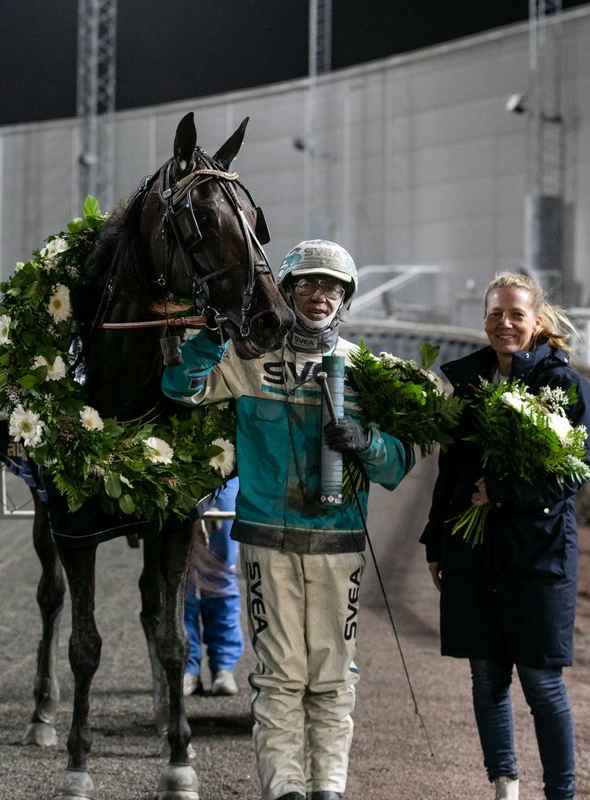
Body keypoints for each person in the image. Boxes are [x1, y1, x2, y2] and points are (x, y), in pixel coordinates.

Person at [162, 240, 413, 800]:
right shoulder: (249, 360)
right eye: (308, 284)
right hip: (265, 546)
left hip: (338, 544)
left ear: (345, 298)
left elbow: (400, 464)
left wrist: (367, 442)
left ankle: (328, 788)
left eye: (333, 287)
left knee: (332, 676)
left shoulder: (368, 370)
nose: (320, 295)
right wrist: (212, 336)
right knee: (277, 678)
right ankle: (285, 790)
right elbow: (180, 388)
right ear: (287, 288)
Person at [419, 271, 590, 800]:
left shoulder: (562, 385)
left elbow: (571, 473)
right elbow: (449, 473)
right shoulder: (470, 383)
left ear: (537, 321)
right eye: (495, 314)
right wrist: (435, 540)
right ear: (484, 320)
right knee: (487, 678)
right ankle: (504, 787)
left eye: (516, 314)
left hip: (538, 556)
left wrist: (499, 491)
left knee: (542, 683)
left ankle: (560, 794)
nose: (505, 324)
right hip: (474, 551)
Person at [183, 476, 244, 698]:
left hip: (225, 477)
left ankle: (223, 666)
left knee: (221, 571)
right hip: (181, 477)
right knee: (182, 579)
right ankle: (187, 666)